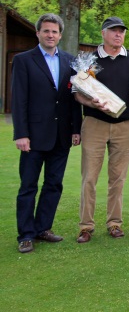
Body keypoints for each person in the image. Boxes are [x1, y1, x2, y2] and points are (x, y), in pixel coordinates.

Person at [12, 13, 82, 253]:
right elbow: (19, 99)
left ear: (60, 35)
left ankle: (43, 228)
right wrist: (21, 134)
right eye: (46, 31)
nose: (51, 35)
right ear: (38, 33)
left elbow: (74, 100)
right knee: (28, 186)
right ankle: (26, 234)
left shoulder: (70, 61)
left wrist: (76, 129)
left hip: (61, 135)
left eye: (55, 32)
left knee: (54, 184)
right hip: (33, 136)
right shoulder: (24, 60)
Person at [74, 17, 129, 243]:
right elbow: (77, 93)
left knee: (118, 178)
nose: (118, 35)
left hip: (124, 126)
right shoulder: (89, 60)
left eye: (121, 31)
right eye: (113, 31)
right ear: (103, 33)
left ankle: (114, 223)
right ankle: (86, 226)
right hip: (95, 124)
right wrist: (91, 103)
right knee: (89, 177)